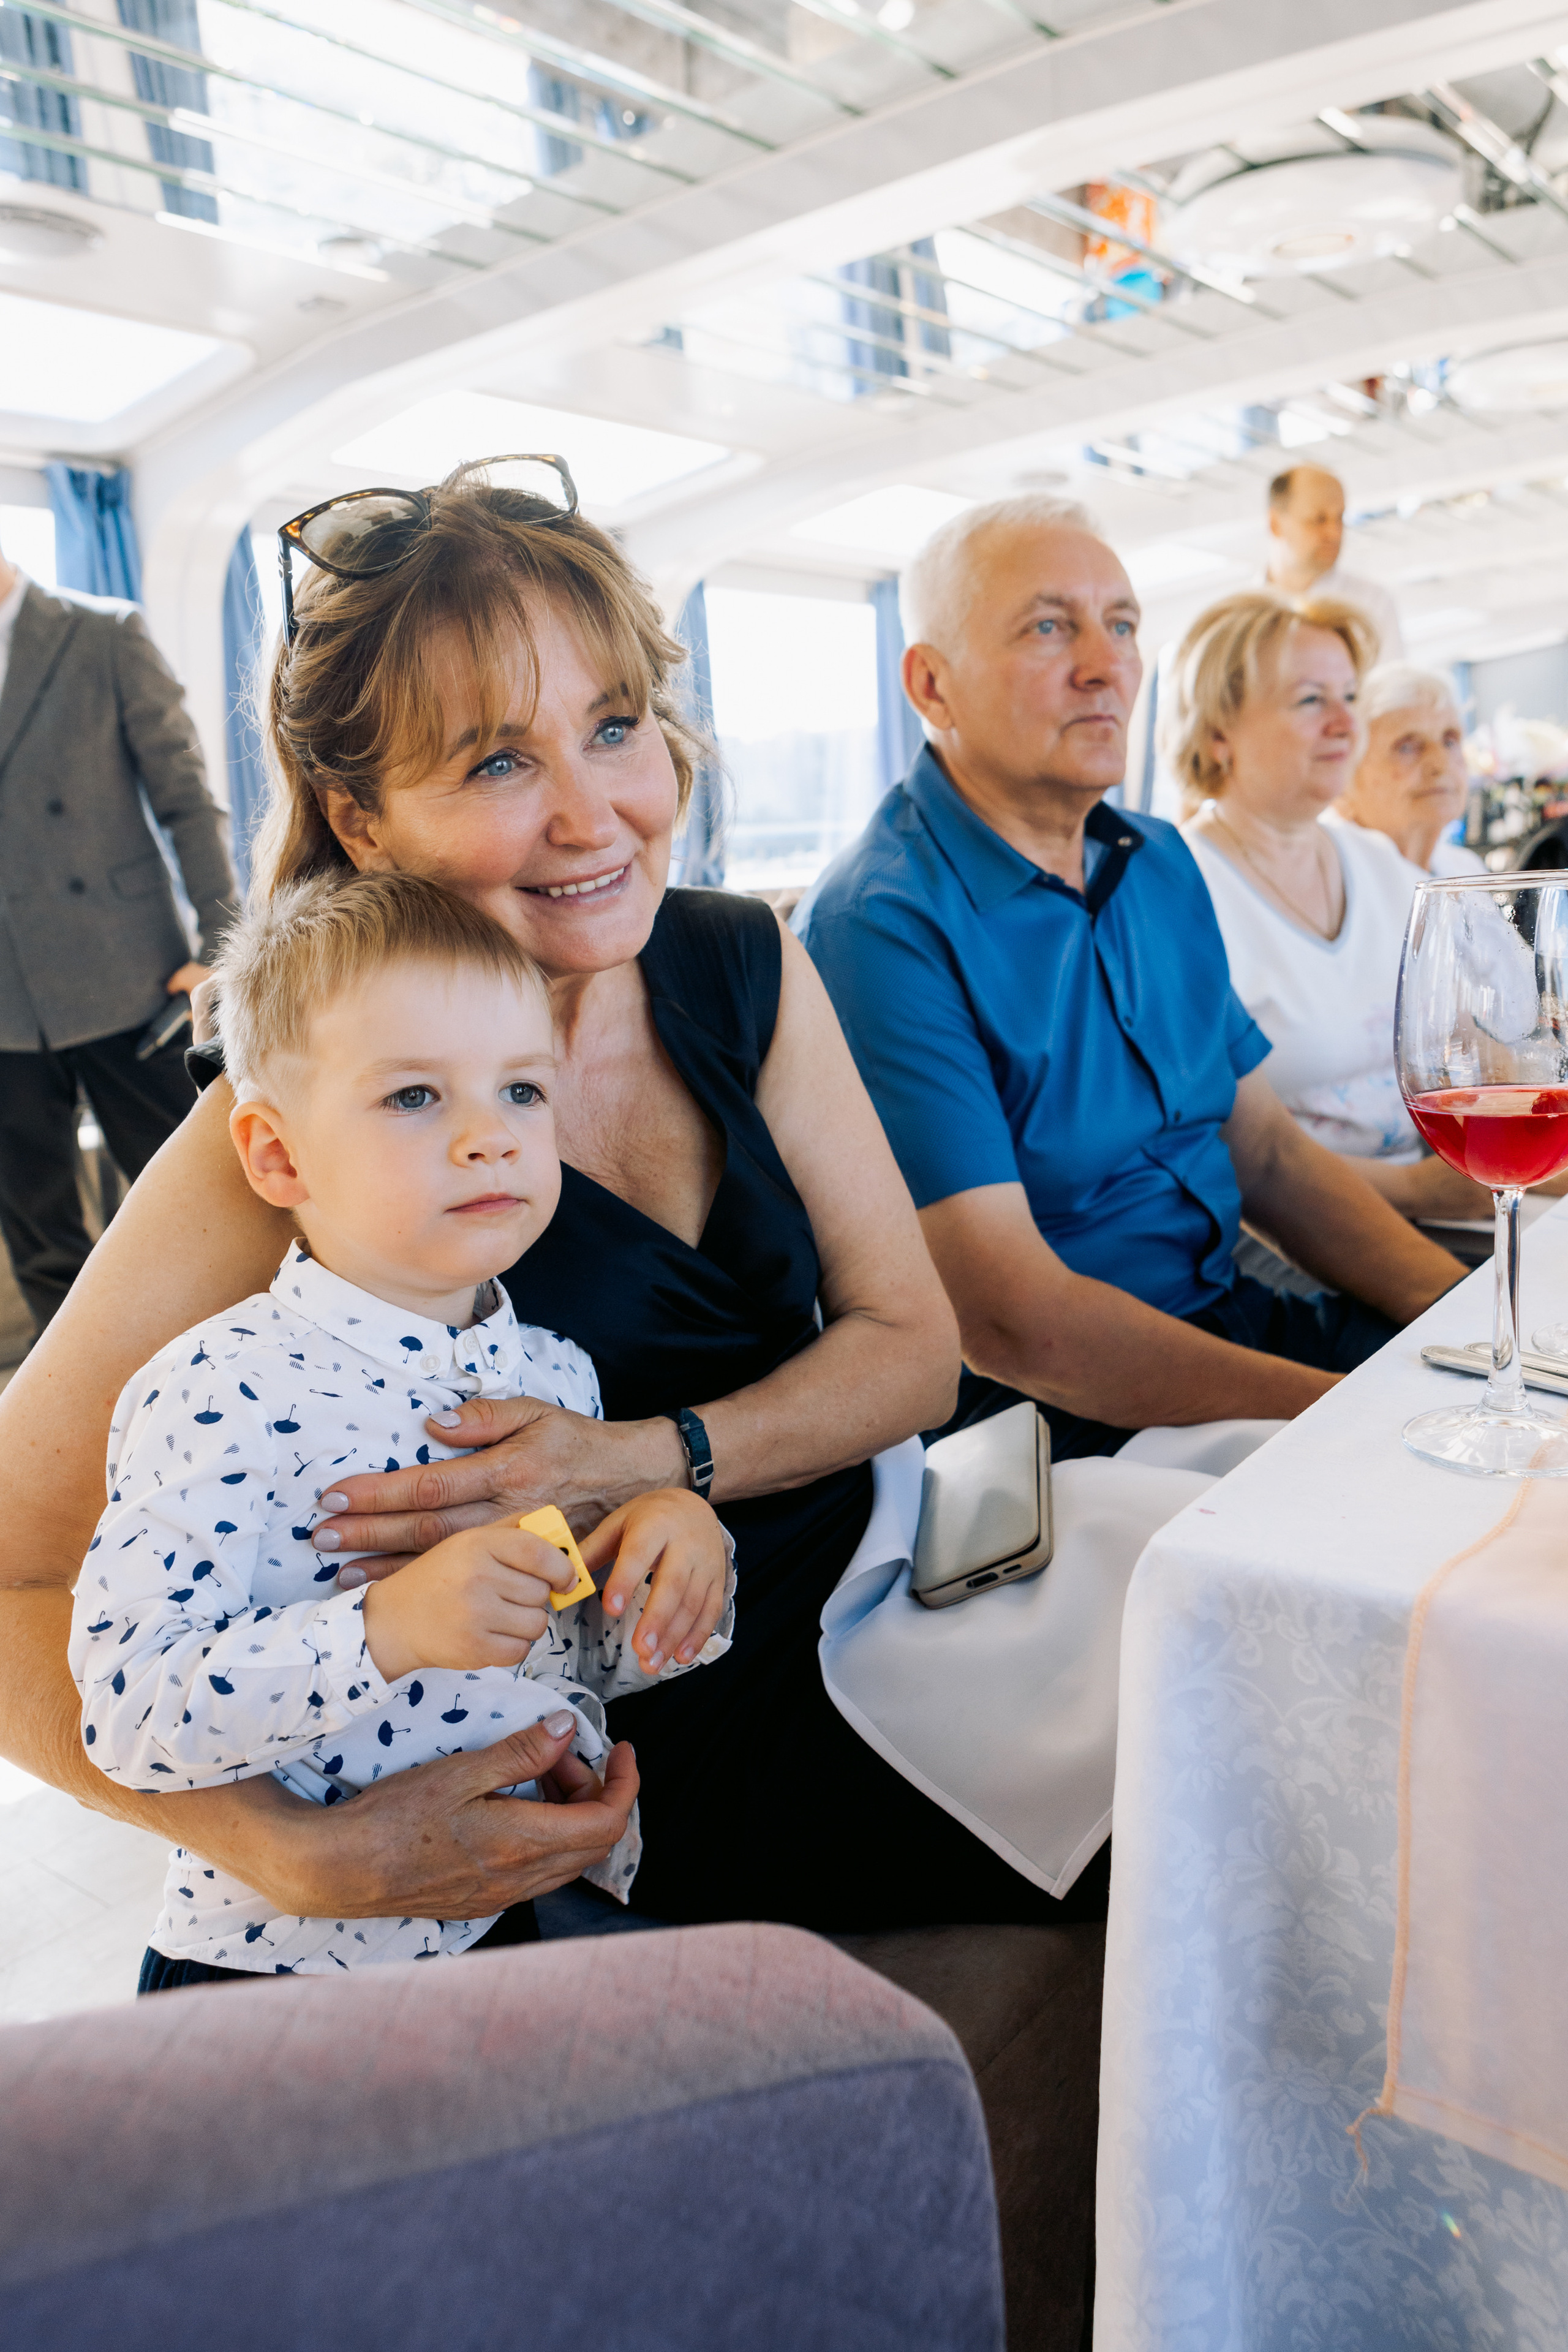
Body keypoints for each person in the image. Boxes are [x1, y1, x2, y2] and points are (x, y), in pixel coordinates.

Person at [6, 461, 1110, 1952]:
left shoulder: (739, 963)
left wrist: (647, 1459)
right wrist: (291, 1852)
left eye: (613, 727)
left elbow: (915, 1348)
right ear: (363, 818)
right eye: (495, 762)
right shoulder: (279, 1131)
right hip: (698, 1726)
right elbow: (13, 1566)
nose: (596, 817)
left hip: (917, 1549)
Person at [70, 870, 732, 1986]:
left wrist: (671, 1568)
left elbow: (573, 1658)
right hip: (281, 1982)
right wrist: (383, 1629)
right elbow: (128, 1707)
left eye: (522, 1090)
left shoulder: (557, 1375)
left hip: (518, 1929)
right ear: (279, 1154)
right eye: (416, 1097)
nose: (491, 1137)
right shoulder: (218, 1389)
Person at [796, 497, 1466, 1461]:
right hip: (1056, 1421)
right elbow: (1015, 1325)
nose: (1105, 666)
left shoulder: (1153, 861)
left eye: (1121, 626)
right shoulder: (879, 928)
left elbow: (1269, 1158)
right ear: (932, 686)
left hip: (1229, 1321)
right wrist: (1351, 1416)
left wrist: (1468, 1327)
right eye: (1047, 627)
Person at [1170, 601, 1509, 1225]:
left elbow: (1498, 1043)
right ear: (1218, 734)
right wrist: (1416, 1192)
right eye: (1309, 700)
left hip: (1449, 1204)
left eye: (1349, 696)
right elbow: (1211, 1148)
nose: (1344, 722)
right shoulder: (1177, 893)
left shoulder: (1381, 867)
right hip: (1294, 1239)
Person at [0, 535, 238, 1336]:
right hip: (5, 1005)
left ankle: (246, 1362)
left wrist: (217, 949)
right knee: (39, 1228)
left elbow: (186, 798)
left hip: (128, 978)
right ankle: (70, 1409)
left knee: (202, 1193)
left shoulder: (102, 633)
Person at [1330, 662, 1483, 875]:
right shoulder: (1332, 883)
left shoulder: (1467, 869)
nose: (1442, 764)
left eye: (1449, 741)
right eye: (1407, 747)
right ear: (1346, 772)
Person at [1264, 464, 1404, 660]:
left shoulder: (1373, 603)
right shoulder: (1239, 615)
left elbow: (1390, 687)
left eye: (1340, 518)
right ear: (1275, 523)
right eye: (1318, 519)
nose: (1335, 533)